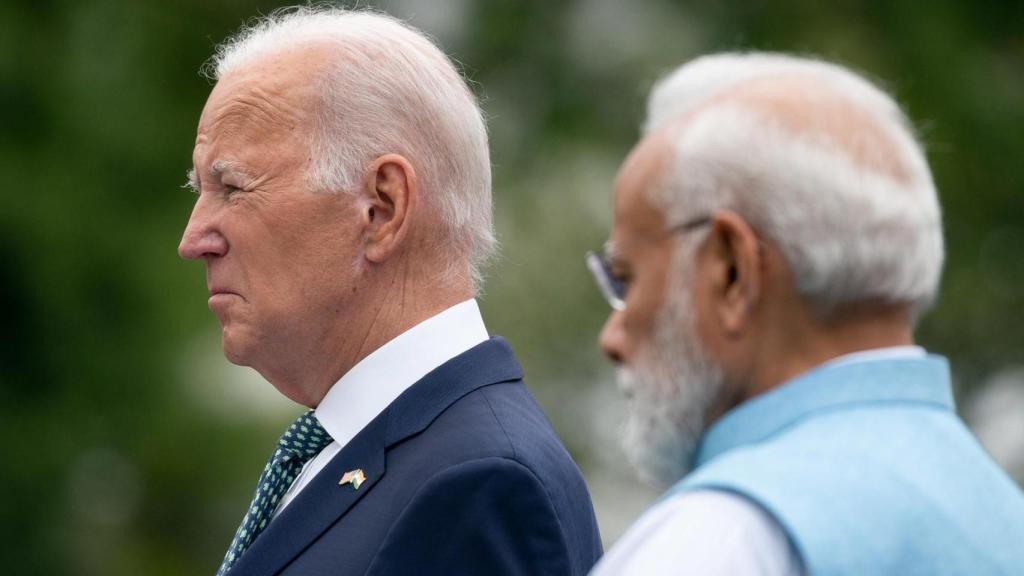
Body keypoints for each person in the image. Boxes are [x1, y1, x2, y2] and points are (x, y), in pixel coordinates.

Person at [178, 7, 602, 576]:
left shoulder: (480, 486)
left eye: (231, 187)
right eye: (199, 189)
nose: (194, 238)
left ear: (382, 207)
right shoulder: (389, 450)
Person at [586, 52, 1024, 575]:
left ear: (732, 270)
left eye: (627, 280)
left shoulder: (722, 537)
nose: (612, 336)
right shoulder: (996, 510)